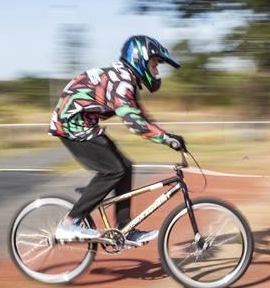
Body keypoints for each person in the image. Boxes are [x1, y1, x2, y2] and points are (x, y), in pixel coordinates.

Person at [48, 35, 186, 243]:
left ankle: (125, 229)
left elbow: (141, 116)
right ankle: (68, 224)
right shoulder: (122, 82)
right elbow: (135, 124)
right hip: (71, 126)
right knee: (113, 170)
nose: (156, 72)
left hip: (85, 125)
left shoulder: (125, 78)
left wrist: (168, 135)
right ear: (140, 60)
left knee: (126, 167)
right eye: (155, 64)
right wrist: (167, 140)